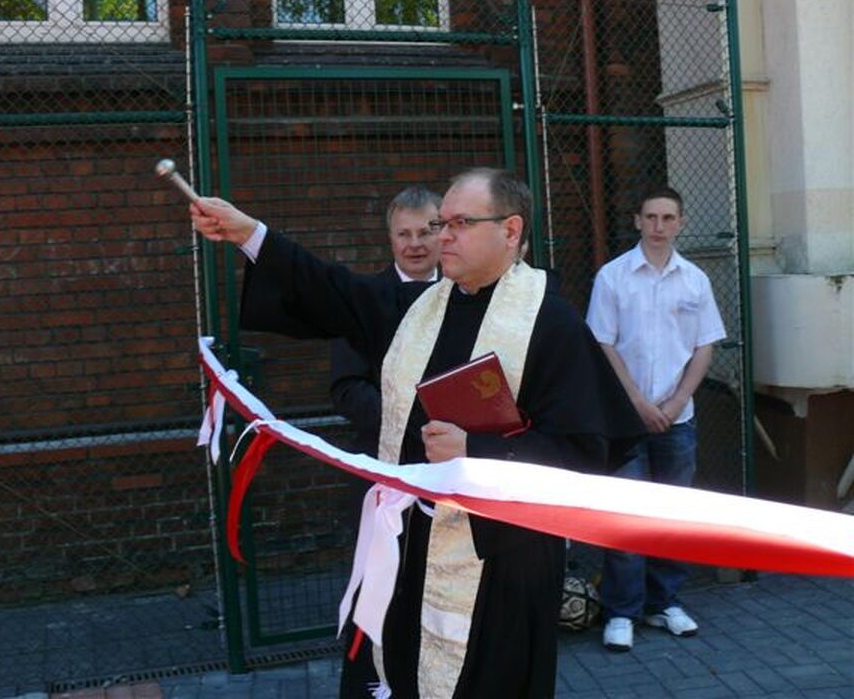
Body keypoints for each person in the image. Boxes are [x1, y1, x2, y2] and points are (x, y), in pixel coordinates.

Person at [191, 168, 645, 698]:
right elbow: (334, 291)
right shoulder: (422, 308)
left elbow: (586, 453)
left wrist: (475, 451)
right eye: (439, 224)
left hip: (499, 564)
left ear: (511, 230)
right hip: (407, 543)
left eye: (459, 224)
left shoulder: (551, 324)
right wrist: (249, 234)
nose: (441, 237)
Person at [585, 186, 727, 652]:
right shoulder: (613, 277)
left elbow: (704, 346)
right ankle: (621, 611)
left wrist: (676, 402)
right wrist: (637, 404)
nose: (659, 226)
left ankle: (663, 603)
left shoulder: (695, 281)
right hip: (625, 419)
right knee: (626, 516)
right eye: (651, 217)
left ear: (681, 222)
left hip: (677, 419)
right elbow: (603, 343)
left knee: (672, 515)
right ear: (637, 221)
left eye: (668, 218)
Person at [329, 187, 441, 697]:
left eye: (426, 232)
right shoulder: (360, 300)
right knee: (379, 587)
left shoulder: (470, 296)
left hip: (450, 472)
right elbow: (346, 388)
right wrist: (408, 426)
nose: (415, 244)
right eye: (404, 234)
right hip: (385, 470)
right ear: (390, 238)